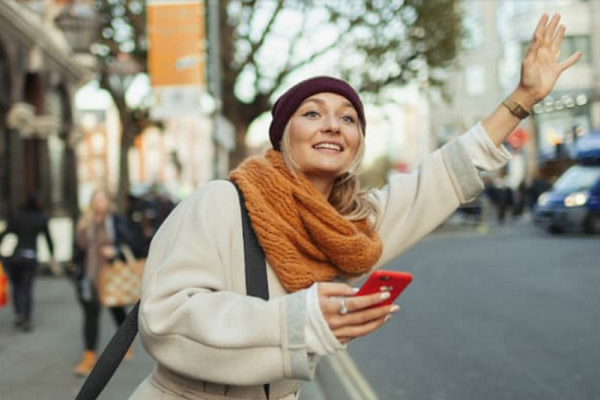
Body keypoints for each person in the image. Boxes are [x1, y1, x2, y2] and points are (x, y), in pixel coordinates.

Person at [127, 14, 581, 400]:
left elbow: (442, 177)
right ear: (284, 134)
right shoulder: (222, 201)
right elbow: (163, 318)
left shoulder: (352, 228)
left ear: (358, 143)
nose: (332, 125)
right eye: (312, 113)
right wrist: (299, 318)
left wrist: (522, 99)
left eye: (348, 118)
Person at [72, 189, 136, 376]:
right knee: (90, 316)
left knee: (117, 312)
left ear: (108, 202)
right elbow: (77, 250)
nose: (99, 203)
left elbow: (132, 242)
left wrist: (114, 251)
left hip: (111, 276)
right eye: (96, 199)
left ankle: (124, 345)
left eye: (102, 199)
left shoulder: (116, 220)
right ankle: (89, 357)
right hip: (89, 277)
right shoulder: (85, 221)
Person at [0, 191, 56, 332]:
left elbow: (5, 234)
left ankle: (19, 315)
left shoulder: (17, 216)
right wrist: (52, 256)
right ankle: (25, 317)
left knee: (17, 287)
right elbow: (48, 239)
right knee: (27, 288)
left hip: (15, 257)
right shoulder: (41, 218)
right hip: (30, 257)